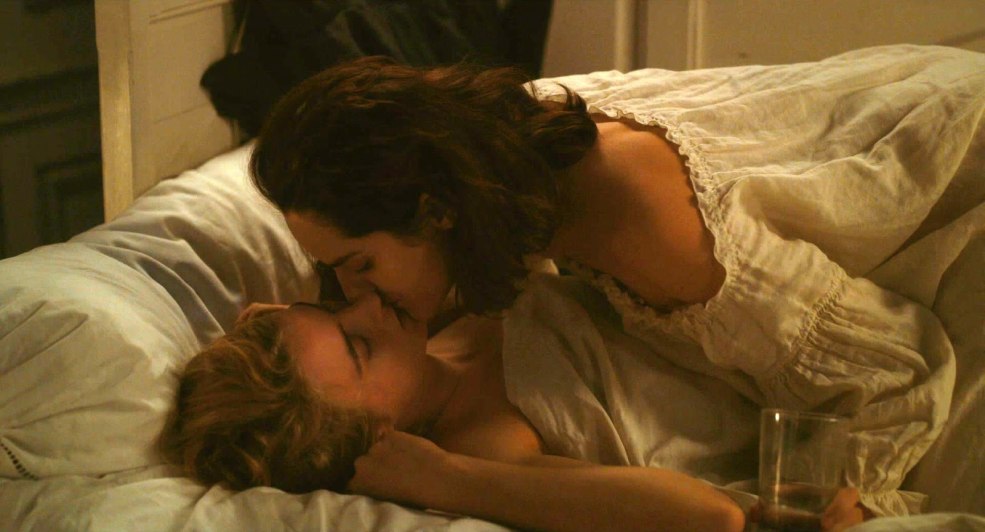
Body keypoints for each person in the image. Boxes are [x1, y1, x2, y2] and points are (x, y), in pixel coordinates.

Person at [248, 47, 985, 515]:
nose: (359, 302)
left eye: (361, 267)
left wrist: (845, 504)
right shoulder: (485, 160)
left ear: (435, 211)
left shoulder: (626, 218)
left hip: (955, 179)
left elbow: (890, 363)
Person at [160, 292, 866, 531]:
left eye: (332, 308)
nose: (370, 305)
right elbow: (709, 518)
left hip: (762, 331)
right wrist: (448, 480)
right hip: (808, 416)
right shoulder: (484, 446)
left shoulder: (436, 313)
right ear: (373, 433)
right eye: (356, 345)